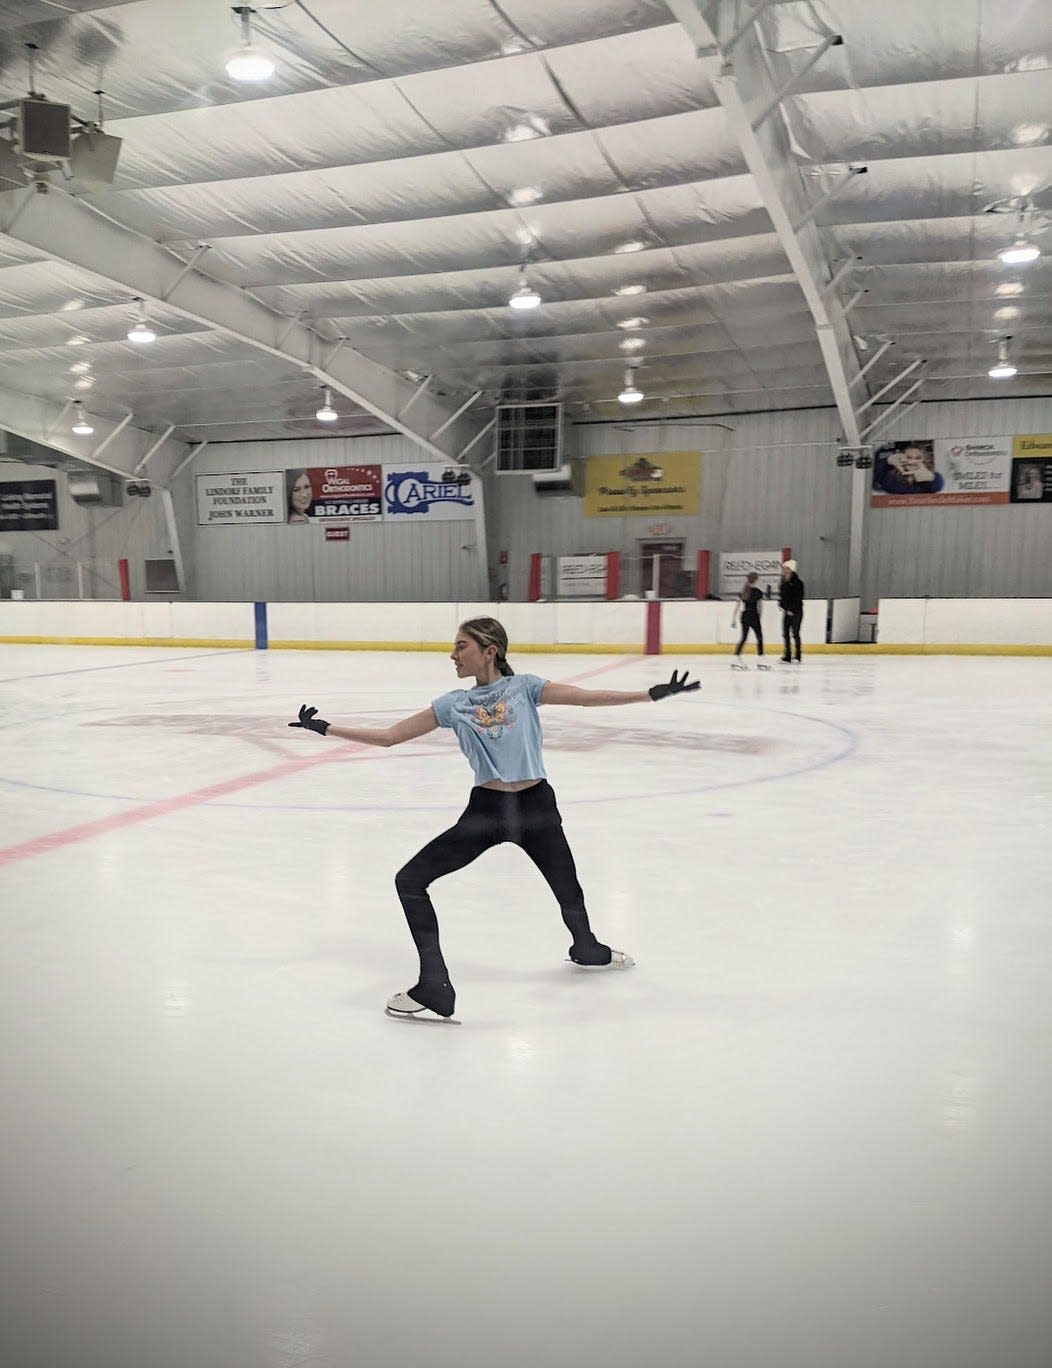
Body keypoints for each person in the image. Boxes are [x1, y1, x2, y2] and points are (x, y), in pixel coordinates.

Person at [288, 617, 700, 1022]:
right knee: (410, 880)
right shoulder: (452, 704)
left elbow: (584, 697)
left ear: (490, 651)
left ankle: (587, 948)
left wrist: (650, 694)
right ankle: (434, 985)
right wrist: (324, 727)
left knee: (568, 888)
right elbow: (389, 737)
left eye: (461, 646)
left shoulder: (525, 687)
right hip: (486, 811)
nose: (452, 655)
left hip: (536, 807)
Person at [730, 572, 769, 669]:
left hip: (744, 616)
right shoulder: (758, 592)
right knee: (759, 637)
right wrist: (758, 618)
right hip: (754, 616)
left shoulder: (743, 591)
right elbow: (760, 608)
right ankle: (761, 659)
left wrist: (733, 619)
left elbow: (737, 605)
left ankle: (736, 657)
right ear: (756, 580)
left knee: (743, 637)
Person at [873, 442, 944, 496]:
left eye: (918, 458)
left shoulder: (926, 480)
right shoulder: (889, 471)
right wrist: (888, 460)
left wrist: (931, 477)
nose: (911, 461)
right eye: (908, 457)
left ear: (924, 460)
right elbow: (870, 474)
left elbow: (937, 486)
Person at [778, 559, 805, 662]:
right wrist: (781, 604)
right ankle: (787, 655)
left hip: (796, 611)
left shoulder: (798, 583)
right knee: (785, 633)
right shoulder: (783, 583)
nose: (783, 570)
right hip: (787, 611)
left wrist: (792, 609)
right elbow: (783, 597)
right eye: (783, 568)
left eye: (785, 568)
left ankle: (798, 655)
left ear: (790, 570)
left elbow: (798, 598)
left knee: (795, 633)